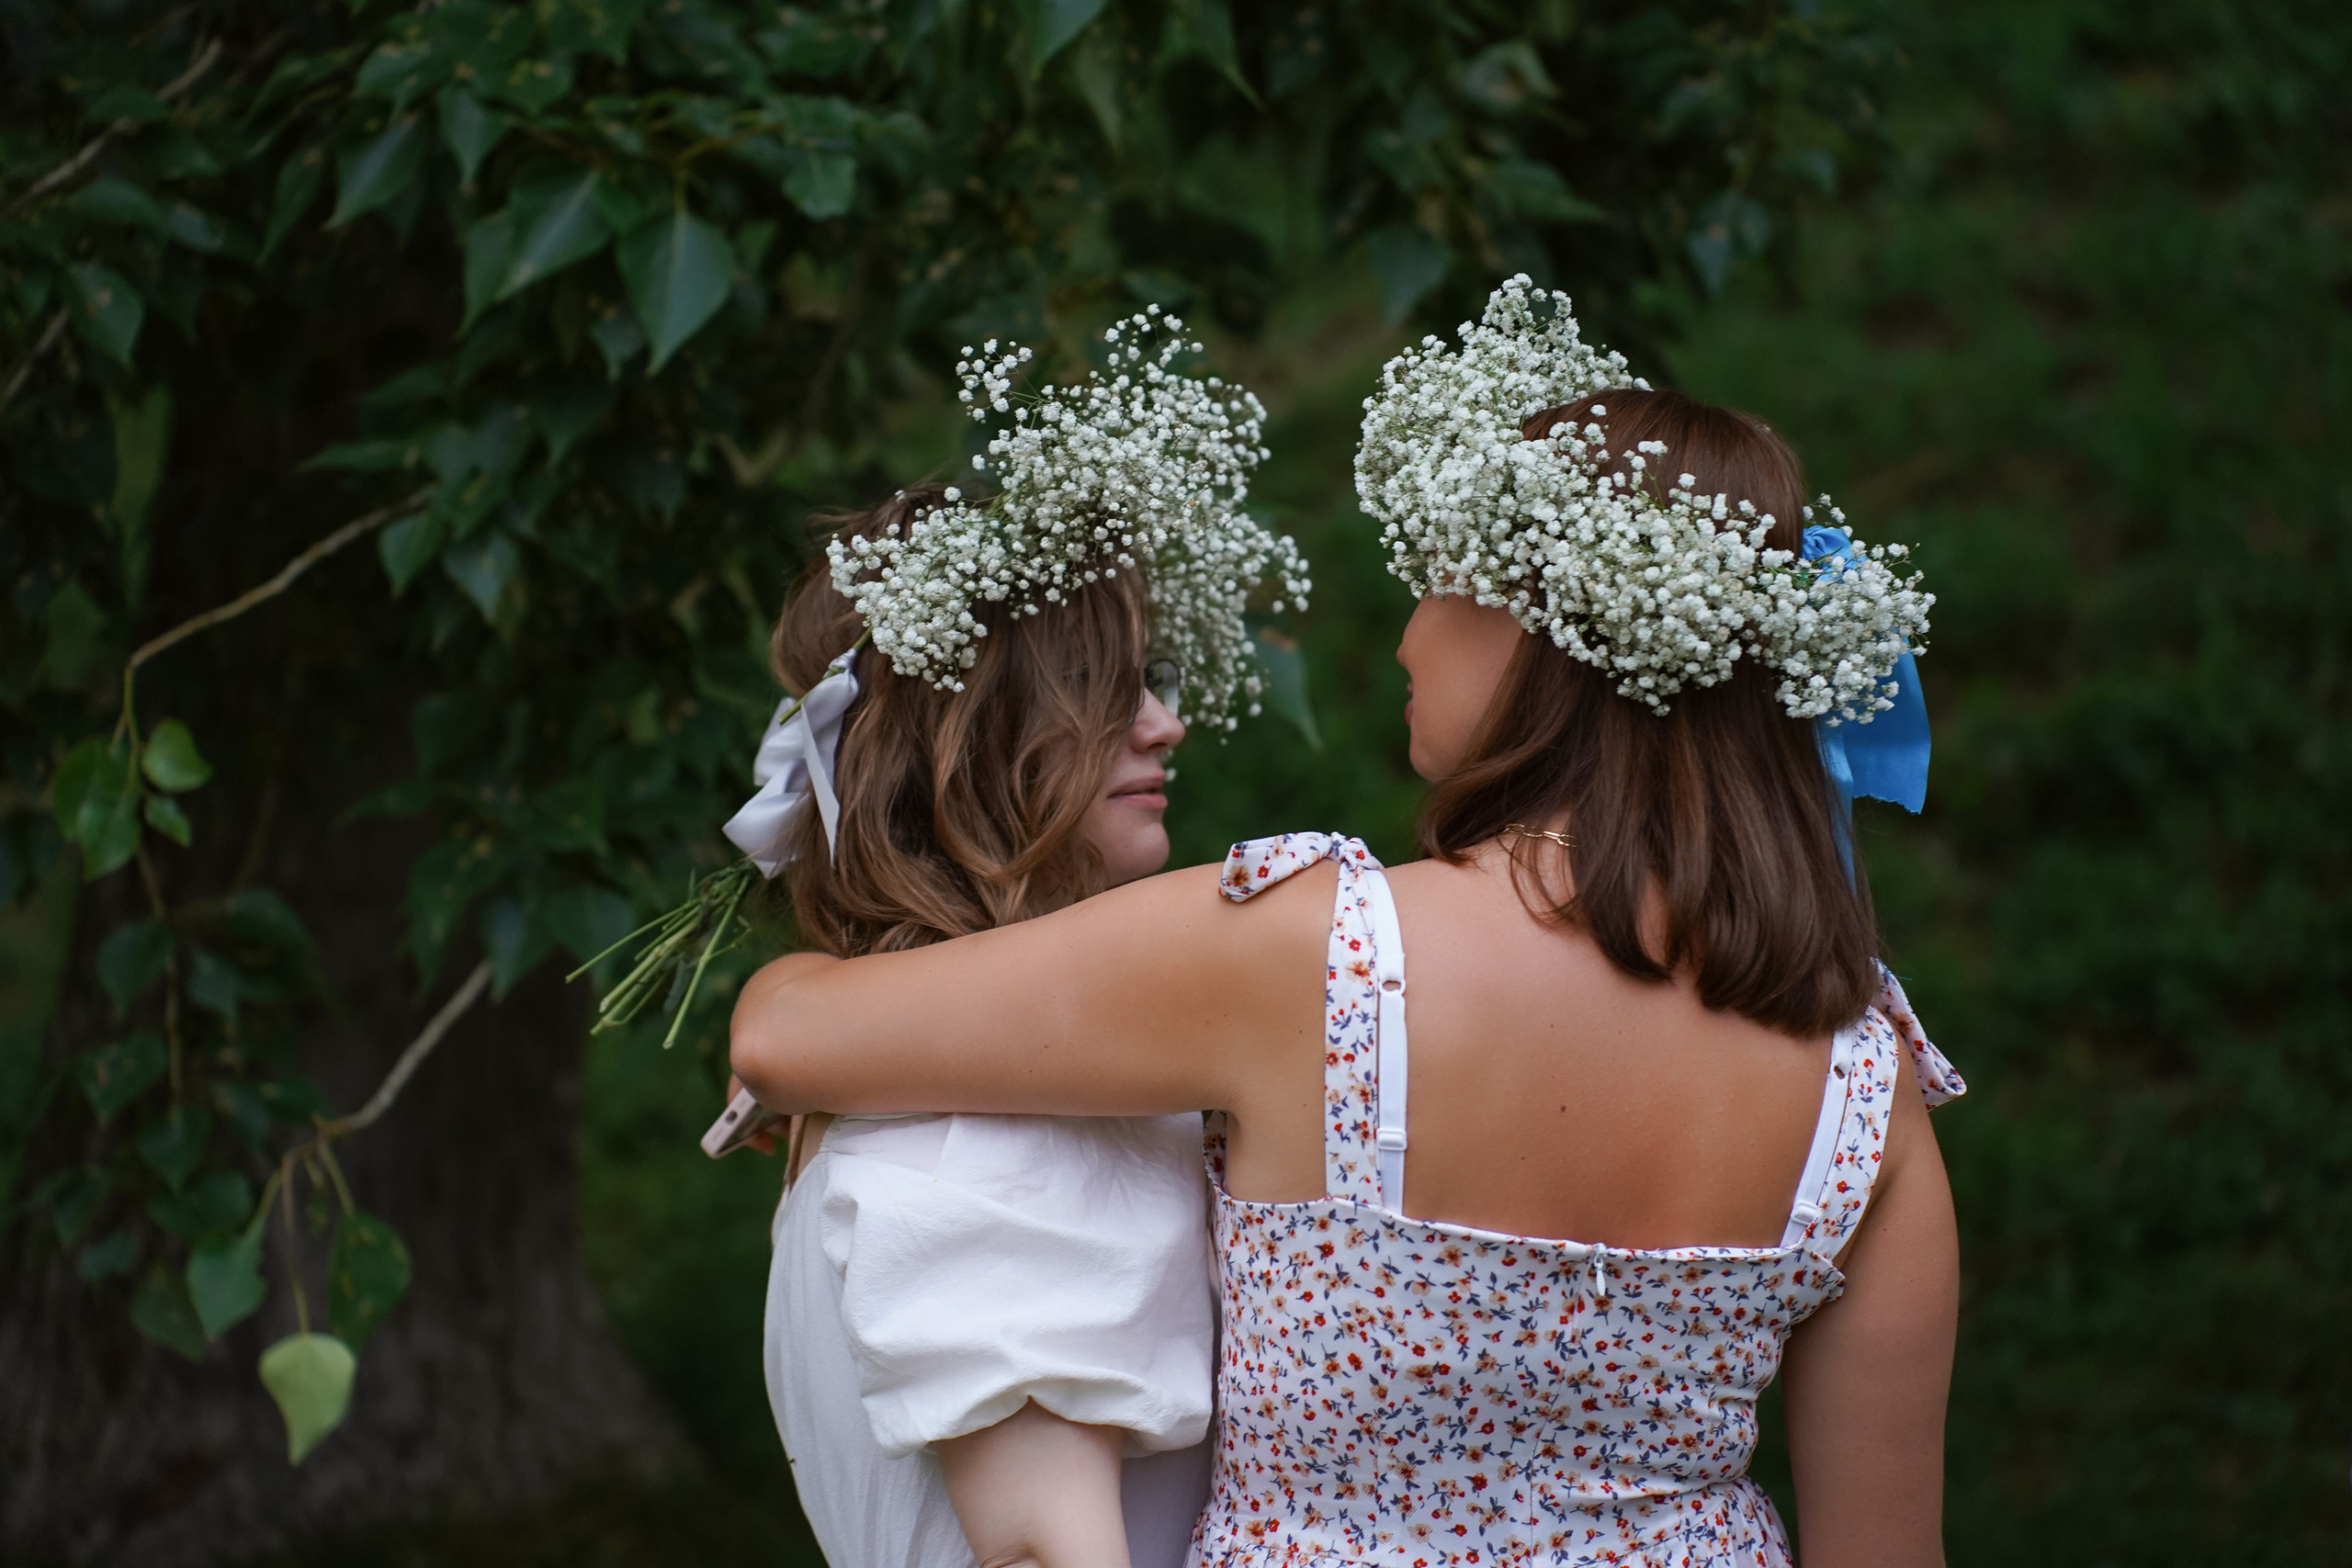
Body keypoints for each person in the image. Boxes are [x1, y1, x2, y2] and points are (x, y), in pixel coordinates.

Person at [731, 280, 1964, 1568]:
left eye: (1437, 581)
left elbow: (790, 1033)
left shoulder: (1319, 959)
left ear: (1546, 632)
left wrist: (782, 987)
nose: (1405, 639)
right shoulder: (1866, 1077)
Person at [721, 314, 1310, 1568]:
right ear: (975, 738)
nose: (1166, 727)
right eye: (1110, 693)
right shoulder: (986, 1134)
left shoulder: (934, 1080)